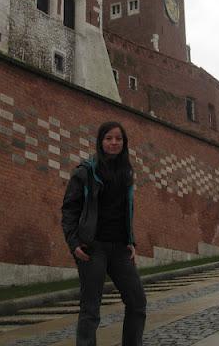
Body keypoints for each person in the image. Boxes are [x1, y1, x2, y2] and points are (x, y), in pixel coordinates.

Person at [61, 121, 146, 346]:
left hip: (119, 248)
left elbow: (127, 209)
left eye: (118, 139)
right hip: (93, 247)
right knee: (91, 308)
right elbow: (69, 209)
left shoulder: (127, 172)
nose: (114, 142)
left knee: (137, 302)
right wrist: (74, 242)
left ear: (124, 143)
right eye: (108, 138)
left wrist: (130, 241)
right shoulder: (85, 172)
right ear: (100, 142)